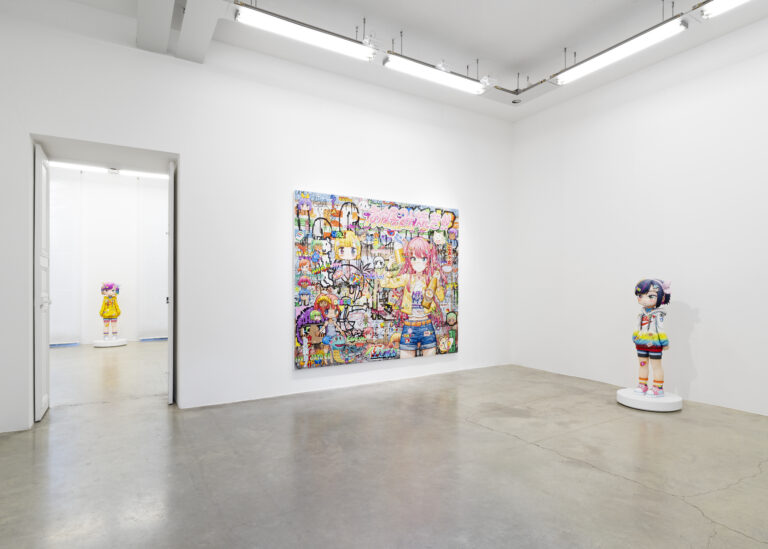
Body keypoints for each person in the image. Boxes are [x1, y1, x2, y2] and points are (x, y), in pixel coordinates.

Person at [381, 236, 445, 358]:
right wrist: (388, 267)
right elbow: (385, 283)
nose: (418, 262)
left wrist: (437, 282)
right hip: (410, 325)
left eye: (423, 258)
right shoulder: (407, 278)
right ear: (409, 260)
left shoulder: (429, 280)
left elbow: (441, 297)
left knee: (431, 364)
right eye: (414, 258)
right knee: (405, 363)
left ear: (428, 260)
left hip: (426, 325)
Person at [632, 279, 671, 397]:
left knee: (656, 365)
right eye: (640, 295)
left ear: (661, 297)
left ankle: (658, 387)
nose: (644, 299)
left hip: (654, 343)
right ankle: (642, 384)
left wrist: (664, 342)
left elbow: (660, 329)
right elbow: (637, 327)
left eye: (650, 296)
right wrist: (635, 336)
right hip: (641, 343)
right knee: (642, 364)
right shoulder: (641, 313)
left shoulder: (658, 314)